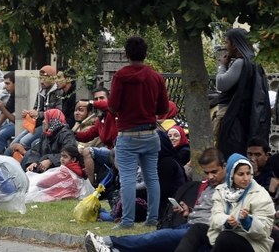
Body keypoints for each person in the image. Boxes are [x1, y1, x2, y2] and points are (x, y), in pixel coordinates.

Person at [85, 148, 227, 252]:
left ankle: (109, 241)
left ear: (225, 167)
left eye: (214, 172)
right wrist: (188, 212)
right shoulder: (207, 186)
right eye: (207, 173)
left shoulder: (229, 189)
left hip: (203, 231)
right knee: (155, 240)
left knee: (158, 237)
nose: (210, 177)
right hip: (191, 224)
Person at [109, 36, 170, 228]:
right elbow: (163, 108)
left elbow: (113, 106)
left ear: (126, 54)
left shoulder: (120, 76)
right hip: (151, 134)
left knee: (127, 178)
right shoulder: (156, 77)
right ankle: (152, 218)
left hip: (127, 134)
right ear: (145, 54)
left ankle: (127, 220)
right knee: (152, 177)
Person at [215, 28, 271, 161]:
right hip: (247, 118)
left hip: (235, 119)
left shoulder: (240, 63)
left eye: (227, 43)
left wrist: (222, 66)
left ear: (234, 44)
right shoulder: (254, 62)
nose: (225, 47)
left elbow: (221, 84)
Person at [207, 153, 275, 252]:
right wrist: (227, 221)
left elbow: (265, 230)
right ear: (231, 175)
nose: (246, 178)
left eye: (248, 173)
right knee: (198, 228)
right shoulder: (220, 191)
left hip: (253, 242)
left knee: (225, 238)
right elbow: (215, 216)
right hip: (225, 235)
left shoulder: (260, 193)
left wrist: (248, 221)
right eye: (241, 174)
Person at [8, 65, 63, 158]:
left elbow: (58, 113)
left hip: (49, 127)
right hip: (37, 124)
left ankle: (27, 161)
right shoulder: (40, 92)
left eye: (44, 78)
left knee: (23, 142)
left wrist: (39, 114)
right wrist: (29, 113)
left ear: (52, 78)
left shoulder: (58, 92)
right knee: (13, 144)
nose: (41, 81)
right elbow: (36, 108)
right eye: (40, 78)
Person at [76, 88, 118, 185]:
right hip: (110, 152)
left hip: (120, 151)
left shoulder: (113, 112)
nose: (98, 101)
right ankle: (92, 186)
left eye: (101, 98)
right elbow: (88, 135)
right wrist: (73, 134)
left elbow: (107, 106)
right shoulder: (101, 119)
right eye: (96, 99)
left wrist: (89, 103)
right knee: (87, 151)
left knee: (87, 151)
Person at [22, 108, 78, 173]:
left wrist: (50, 161)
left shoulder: (67, 135)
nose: (43, 122)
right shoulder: (46, 134)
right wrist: (33, 162)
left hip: (59, 170)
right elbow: (36, 150)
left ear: (52, 120)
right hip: (44, 168)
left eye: (45, 119)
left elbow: (68, 155)